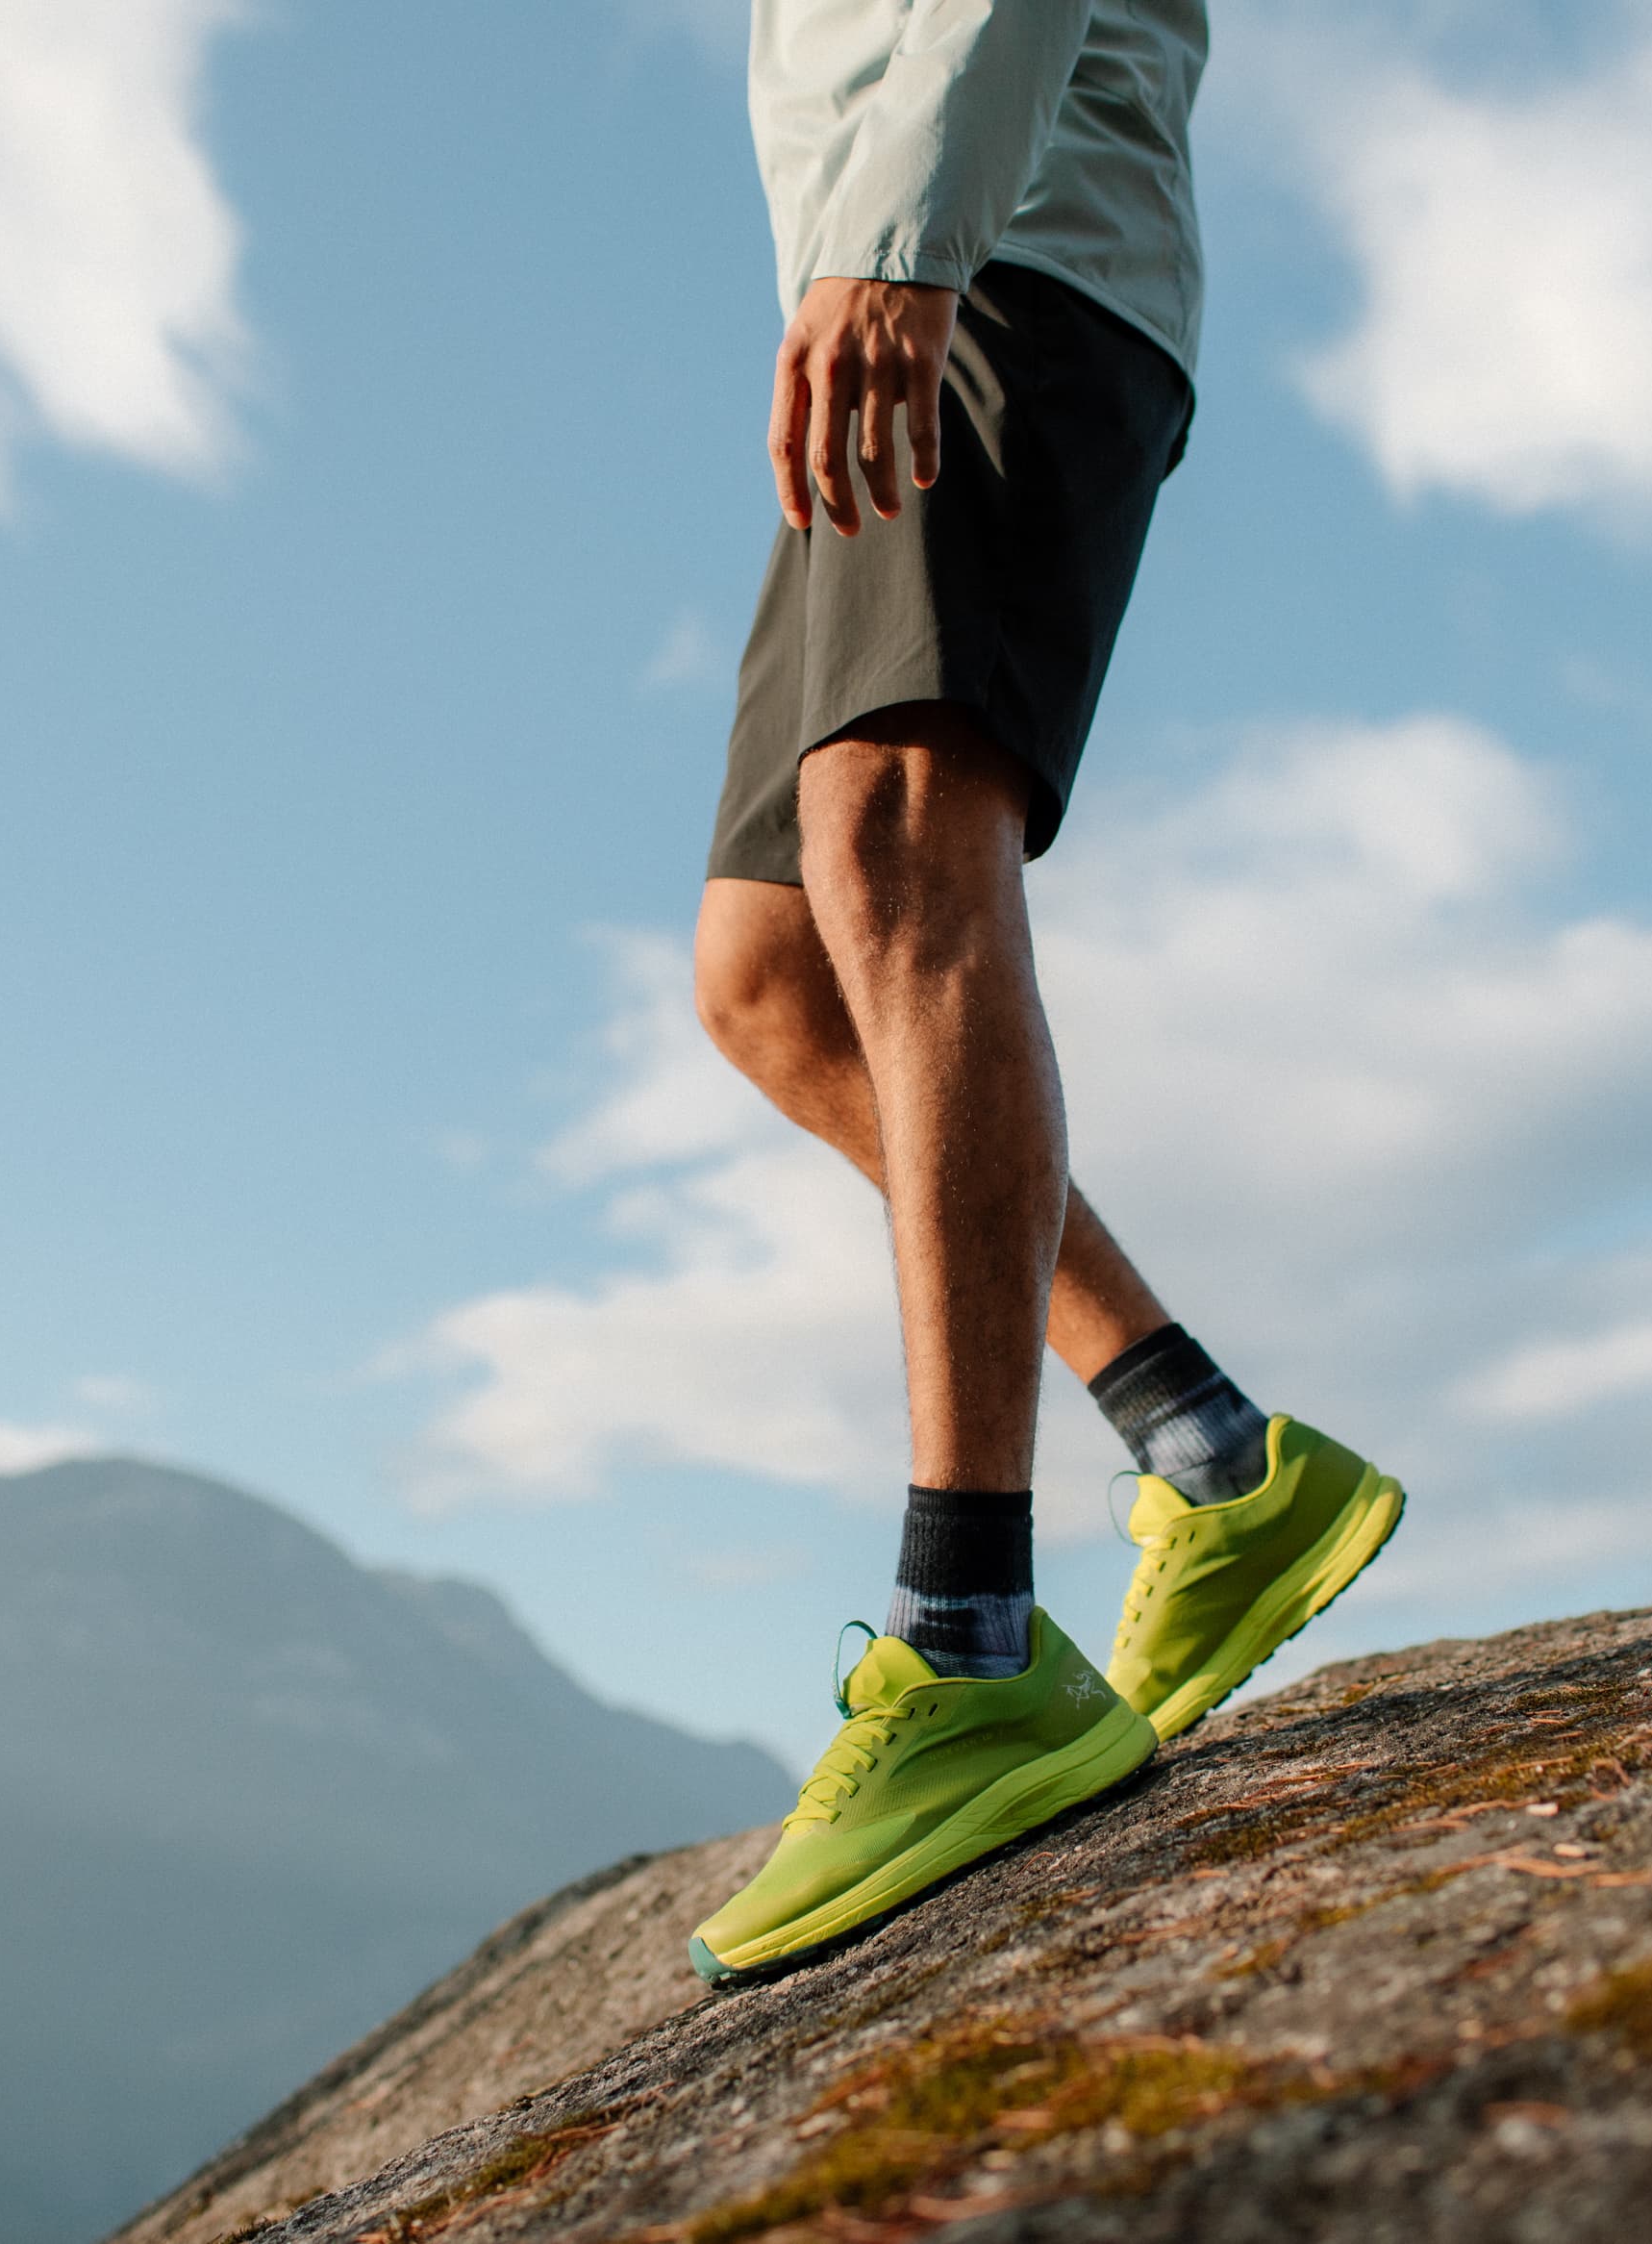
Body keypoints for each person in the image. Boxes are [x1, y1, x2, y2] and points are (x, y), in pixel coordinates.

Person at [684, 0, 1402, 1985]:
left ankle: (970, 1633)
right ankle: (1214, 1457)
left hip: (994, 250)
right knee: (767, 975)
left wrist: (898, 242)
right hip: (910, 244)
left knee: (899, 845)